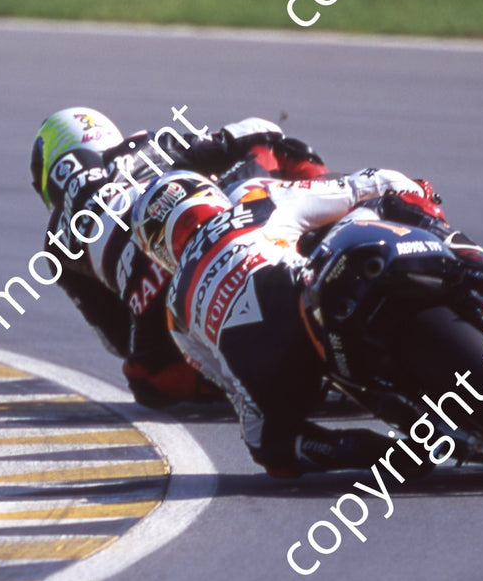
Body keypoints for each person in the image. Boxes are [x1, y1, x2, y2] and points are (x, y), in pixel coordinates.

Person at [129, 164, 446, 476]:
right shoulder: (256, 206)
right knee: (383, 205)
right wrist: (417, 193)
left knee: (269, 450)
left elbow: (226, 384)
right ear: (208, 194)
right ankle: (464, 265)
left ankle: (367, 451)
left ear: (158, 249)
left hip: (274, 381)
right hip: (310, 305)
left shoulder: (175, 314)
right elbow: (357, 186)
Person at [28, 107, 328, 408]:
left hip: (165, 283)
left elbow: (117, 339)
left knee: (144, 379)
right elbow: (247, 136)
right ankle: (328, 210)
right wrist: (263, 149)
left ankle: (235, 386)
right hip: (229, 222)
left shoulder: (55, 244)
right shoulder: (145, 145)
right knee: (270, 151)